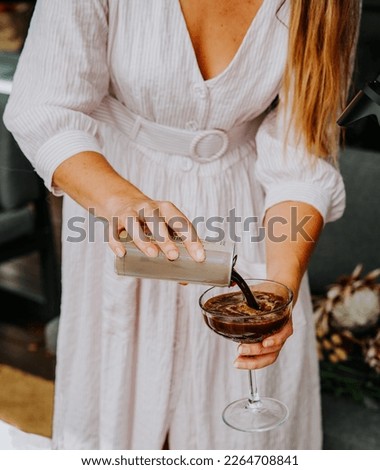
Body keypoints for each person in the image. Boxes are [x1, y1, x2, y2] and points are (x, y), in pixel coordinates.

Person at [4, 0, 360, 450]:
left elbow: (303, 152)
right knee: (120, 409)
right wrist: (122, 202)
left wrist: (279, 287)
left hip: (250, 209)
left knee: (238, 427)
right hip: (115, 194)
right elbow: (45, 105)